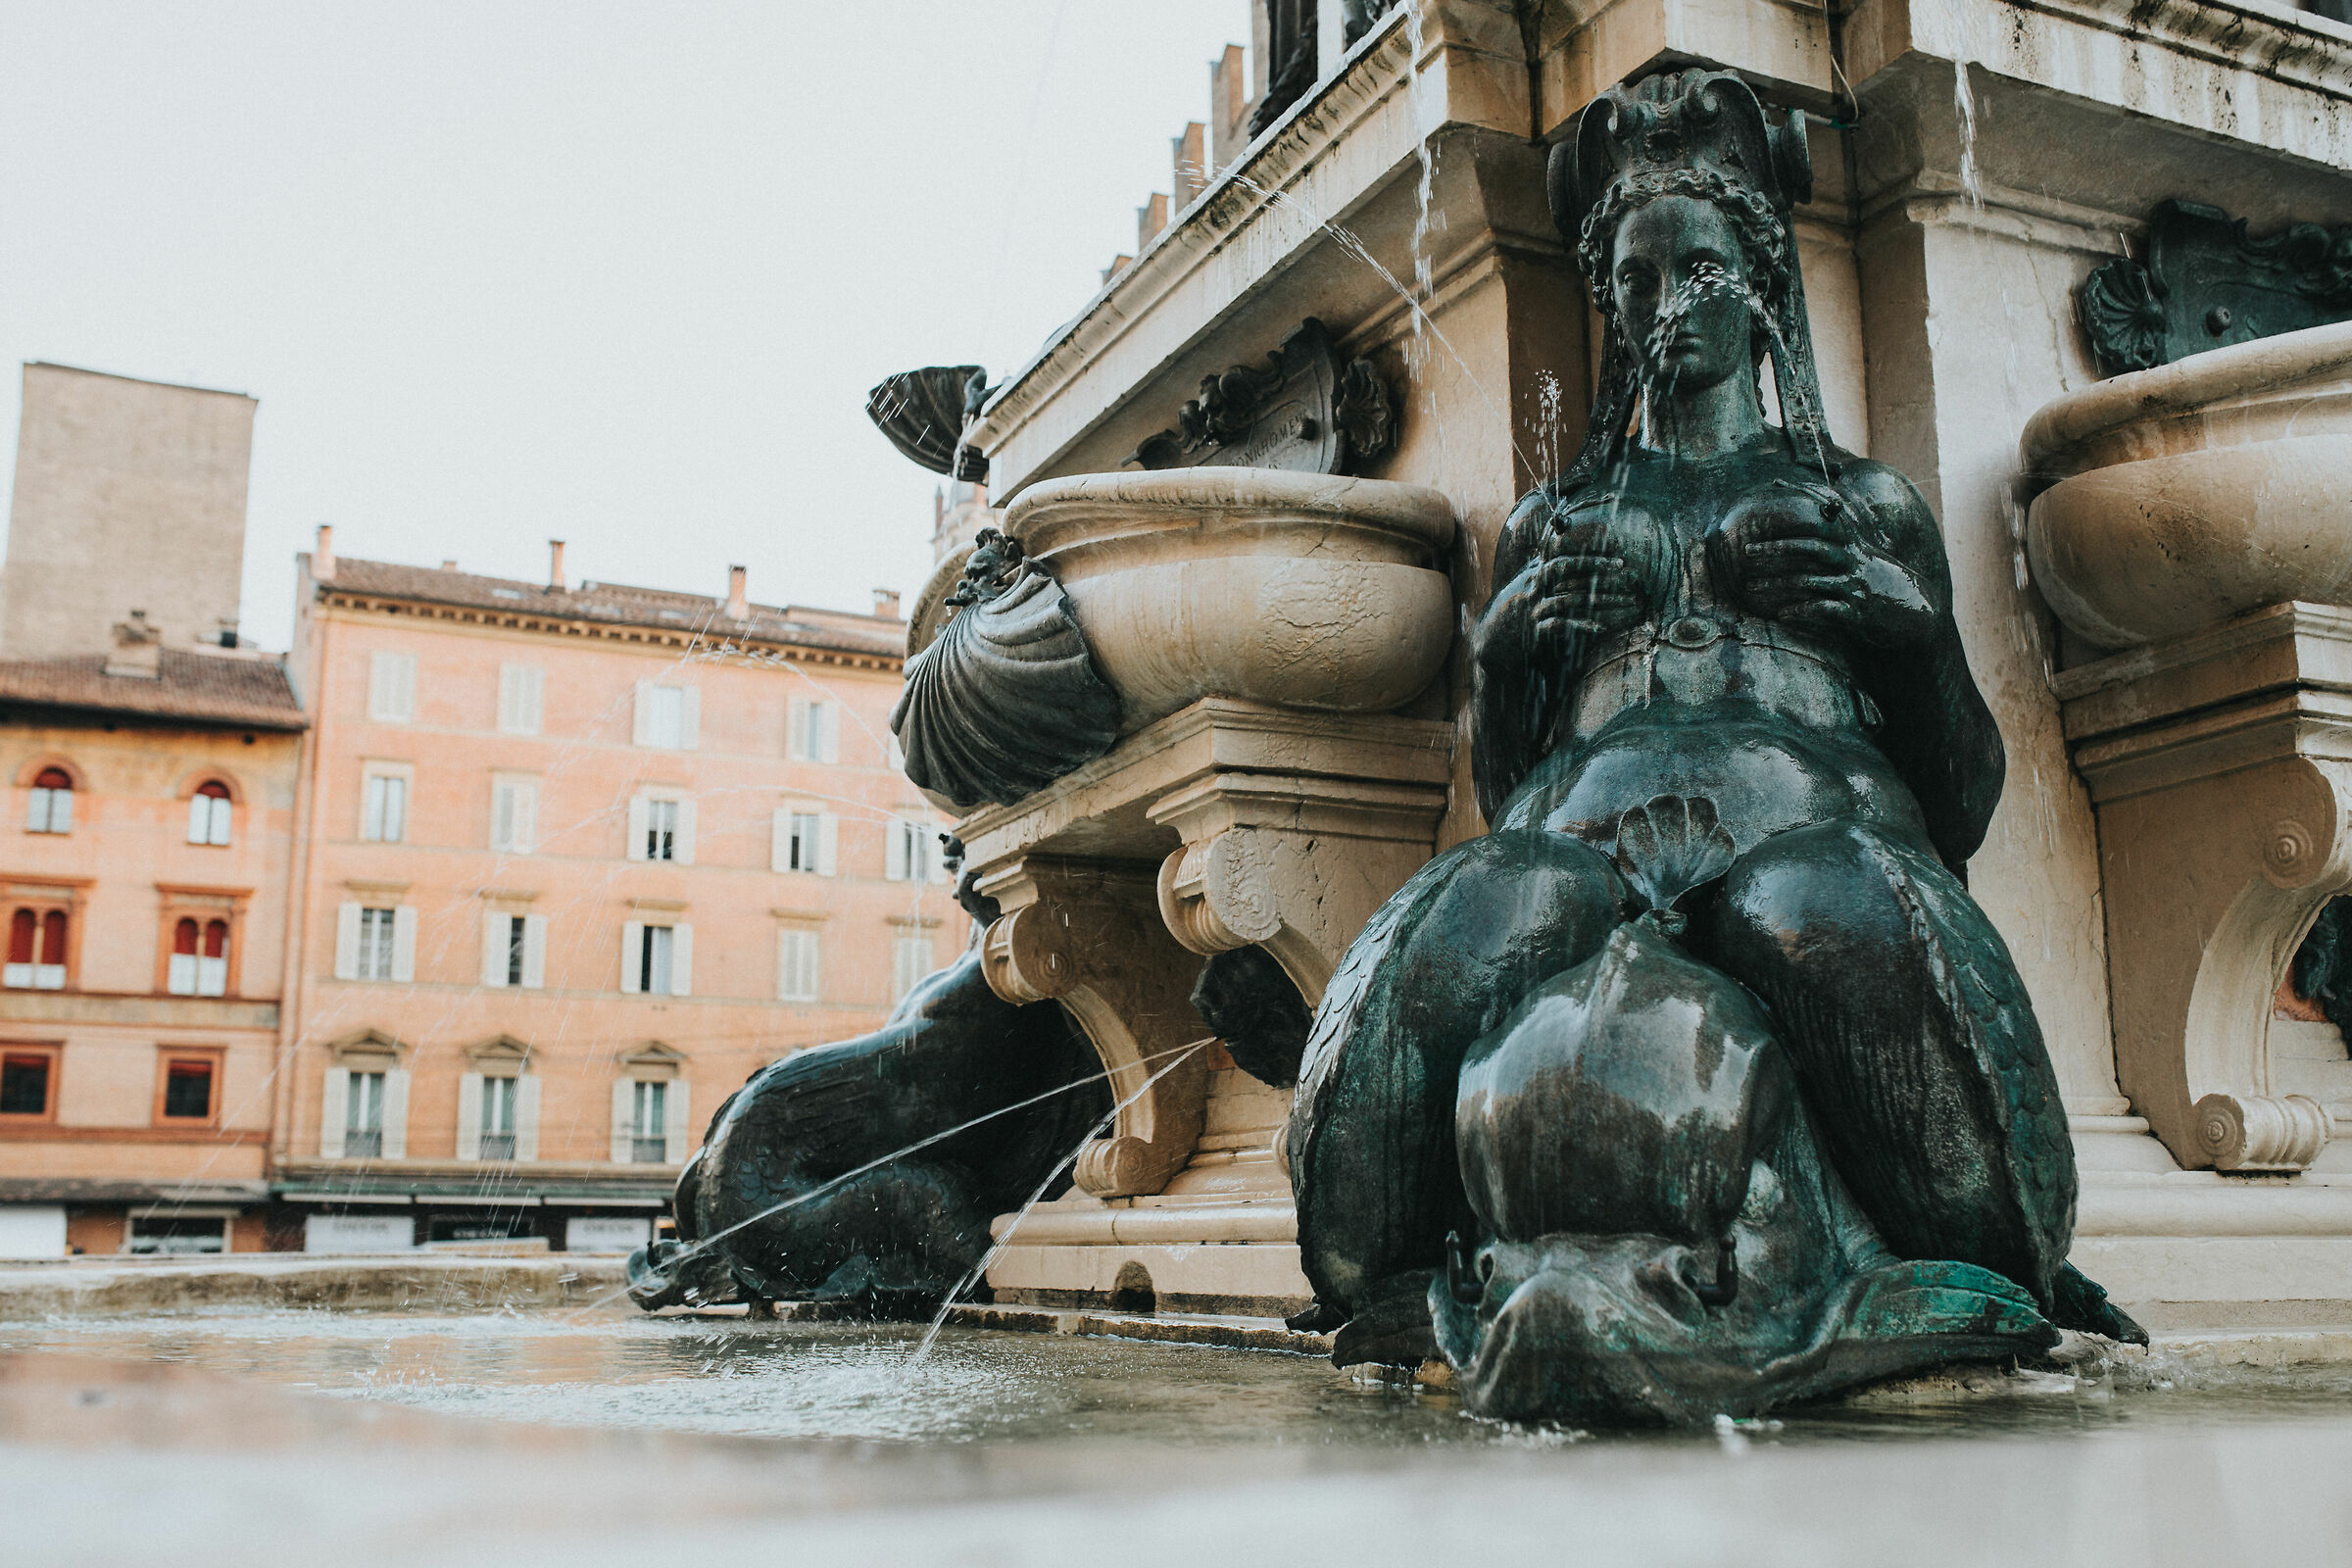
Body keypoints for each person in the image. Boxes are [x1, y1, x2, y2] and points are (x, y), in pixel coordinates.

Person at [1288, 73, 2125, 1399]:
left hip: (1807, 848)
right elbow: (1506, 788)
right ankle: (1382, 1260)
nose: (1665, 302)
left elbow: (1962, 798)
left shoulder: (1858, 505)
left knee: (1816, 899)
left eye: (1699, 268)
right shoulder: (1553, 525)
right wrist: (1504, 655)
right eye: (1633, 276)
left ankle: (1982, 1253)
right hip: (1582, 858)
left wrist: (1904, 630)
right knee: (1492, 896)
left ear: (1760, 285)